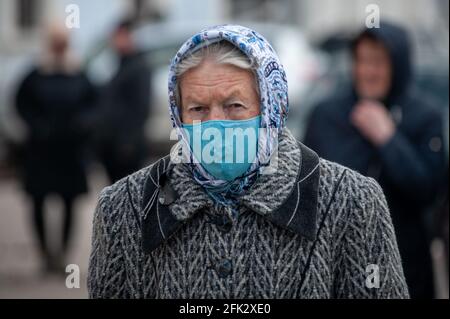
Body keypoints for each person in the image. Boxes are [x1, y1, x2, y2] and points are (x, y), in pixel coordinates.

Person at [88, 25, 409, 298]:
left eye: (235, 105)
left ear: (271, 107)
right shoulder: (124, 208)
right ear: (178, 115)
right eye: (198, 109)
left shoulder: (353, 202)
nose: (215, 124)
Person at [304, 22, 446, 298]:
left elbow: (429, 191)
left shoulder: (424, 116)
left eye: (378, 62)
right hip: (333, 265)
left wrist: (388, 139)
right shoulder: (326, 115)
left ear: (398, 65)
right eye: (362, 61)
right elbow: (305, 188)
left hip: (406, 266)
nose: (368, 71)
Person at [15, 23, 97, 273]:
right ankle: (45, 255)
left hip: (70, 152)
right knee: (38, 201)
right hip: (41, 152)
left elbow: (94, 104)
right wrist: (37, 126)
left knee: (70, 202)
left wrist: (82, 125)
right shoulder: (36, 73)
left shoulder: (78, 73)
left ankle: (62, 255)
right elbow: (20, 103)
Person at [96, 18, 151, 183]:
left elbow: (141, 107)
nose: (115, 42)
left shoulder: (138, 67)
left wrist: (128, 142)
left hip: (127, 147)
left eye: (119, 36)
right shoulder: (119, 65)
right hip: (112, 144)